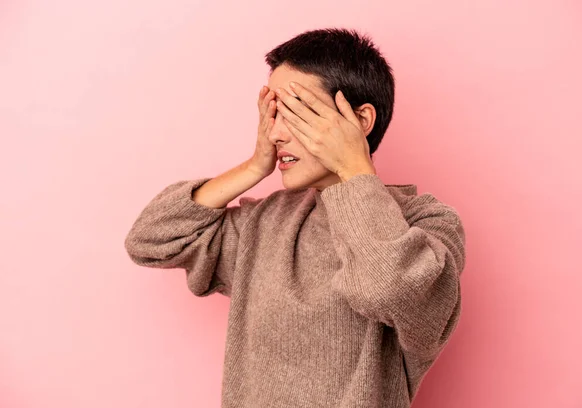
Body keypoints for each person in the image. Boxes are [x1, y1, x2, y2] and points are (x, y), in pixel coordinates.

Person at [124, 27, 466, 408]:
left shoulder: (427, 223)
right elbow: (150, 240)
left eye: (296, 113)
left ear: (361, 120)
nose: (277, 133)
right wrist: (254, 167)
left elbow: (389, 288)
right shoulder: (266, 221)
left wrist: (354, 167)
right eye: (272, 114)